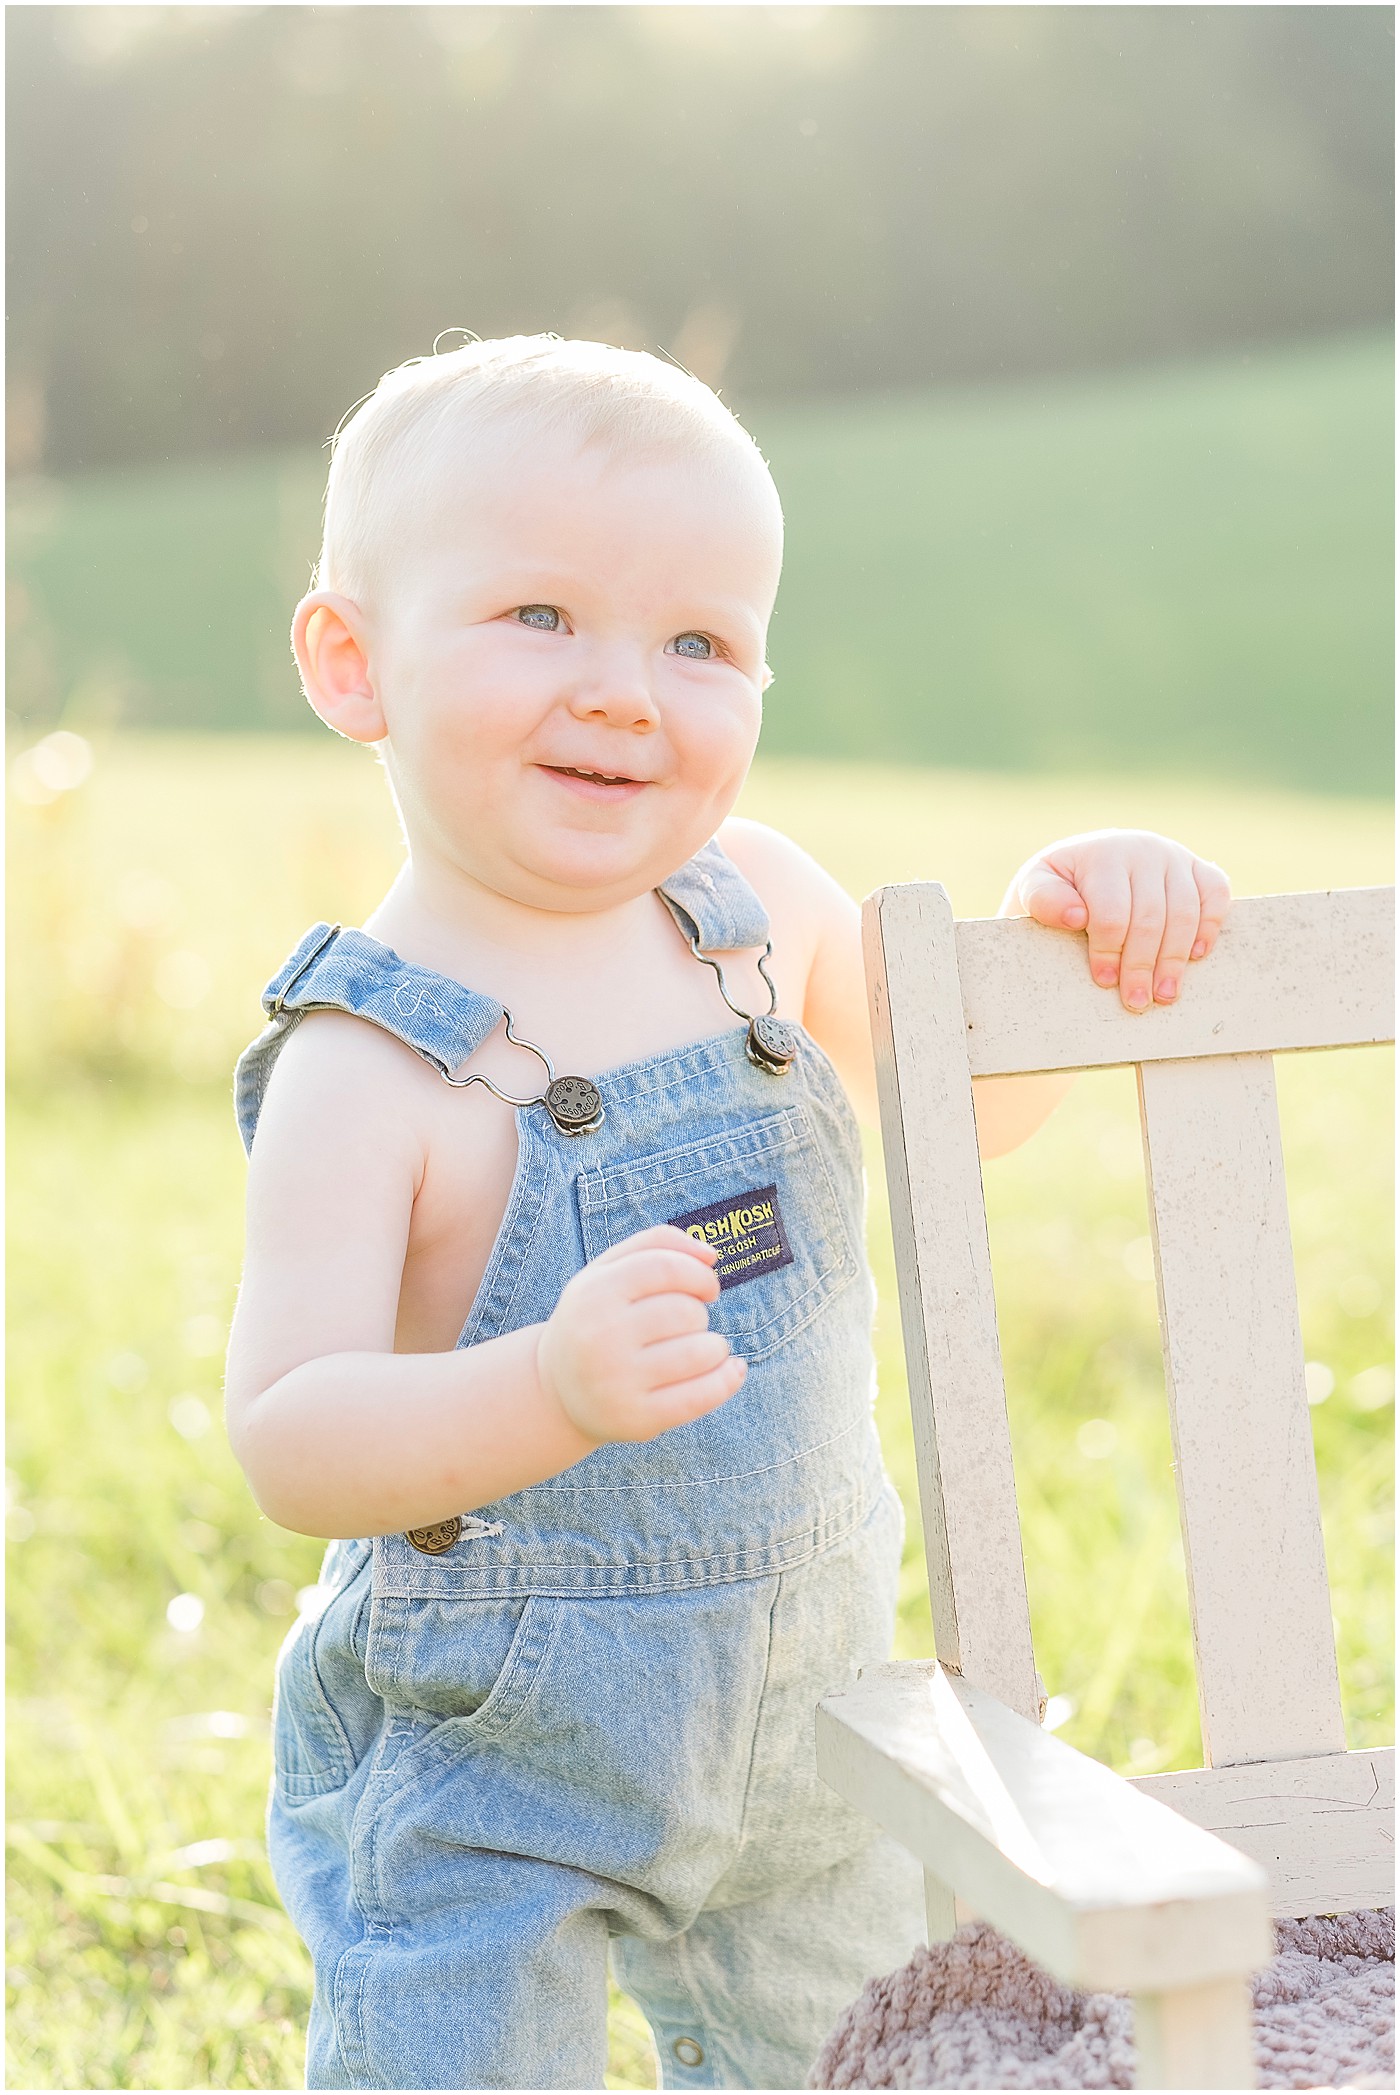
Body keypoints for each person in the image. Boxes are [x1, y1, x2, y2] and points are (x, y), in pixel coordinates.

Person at [225, 334, 1230, 2092]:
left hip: (814, 1737)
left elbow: (970, 1111)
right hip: (495, 1769)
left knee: (858, 2063)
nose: (626, 690)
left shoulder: (749, 907)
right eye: (539, 617)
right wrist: (544, 1390)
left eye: (698, 643)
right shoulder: (368, 1062)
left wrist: (1063, 925)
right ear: (350, 660)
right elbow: (294, 1436)